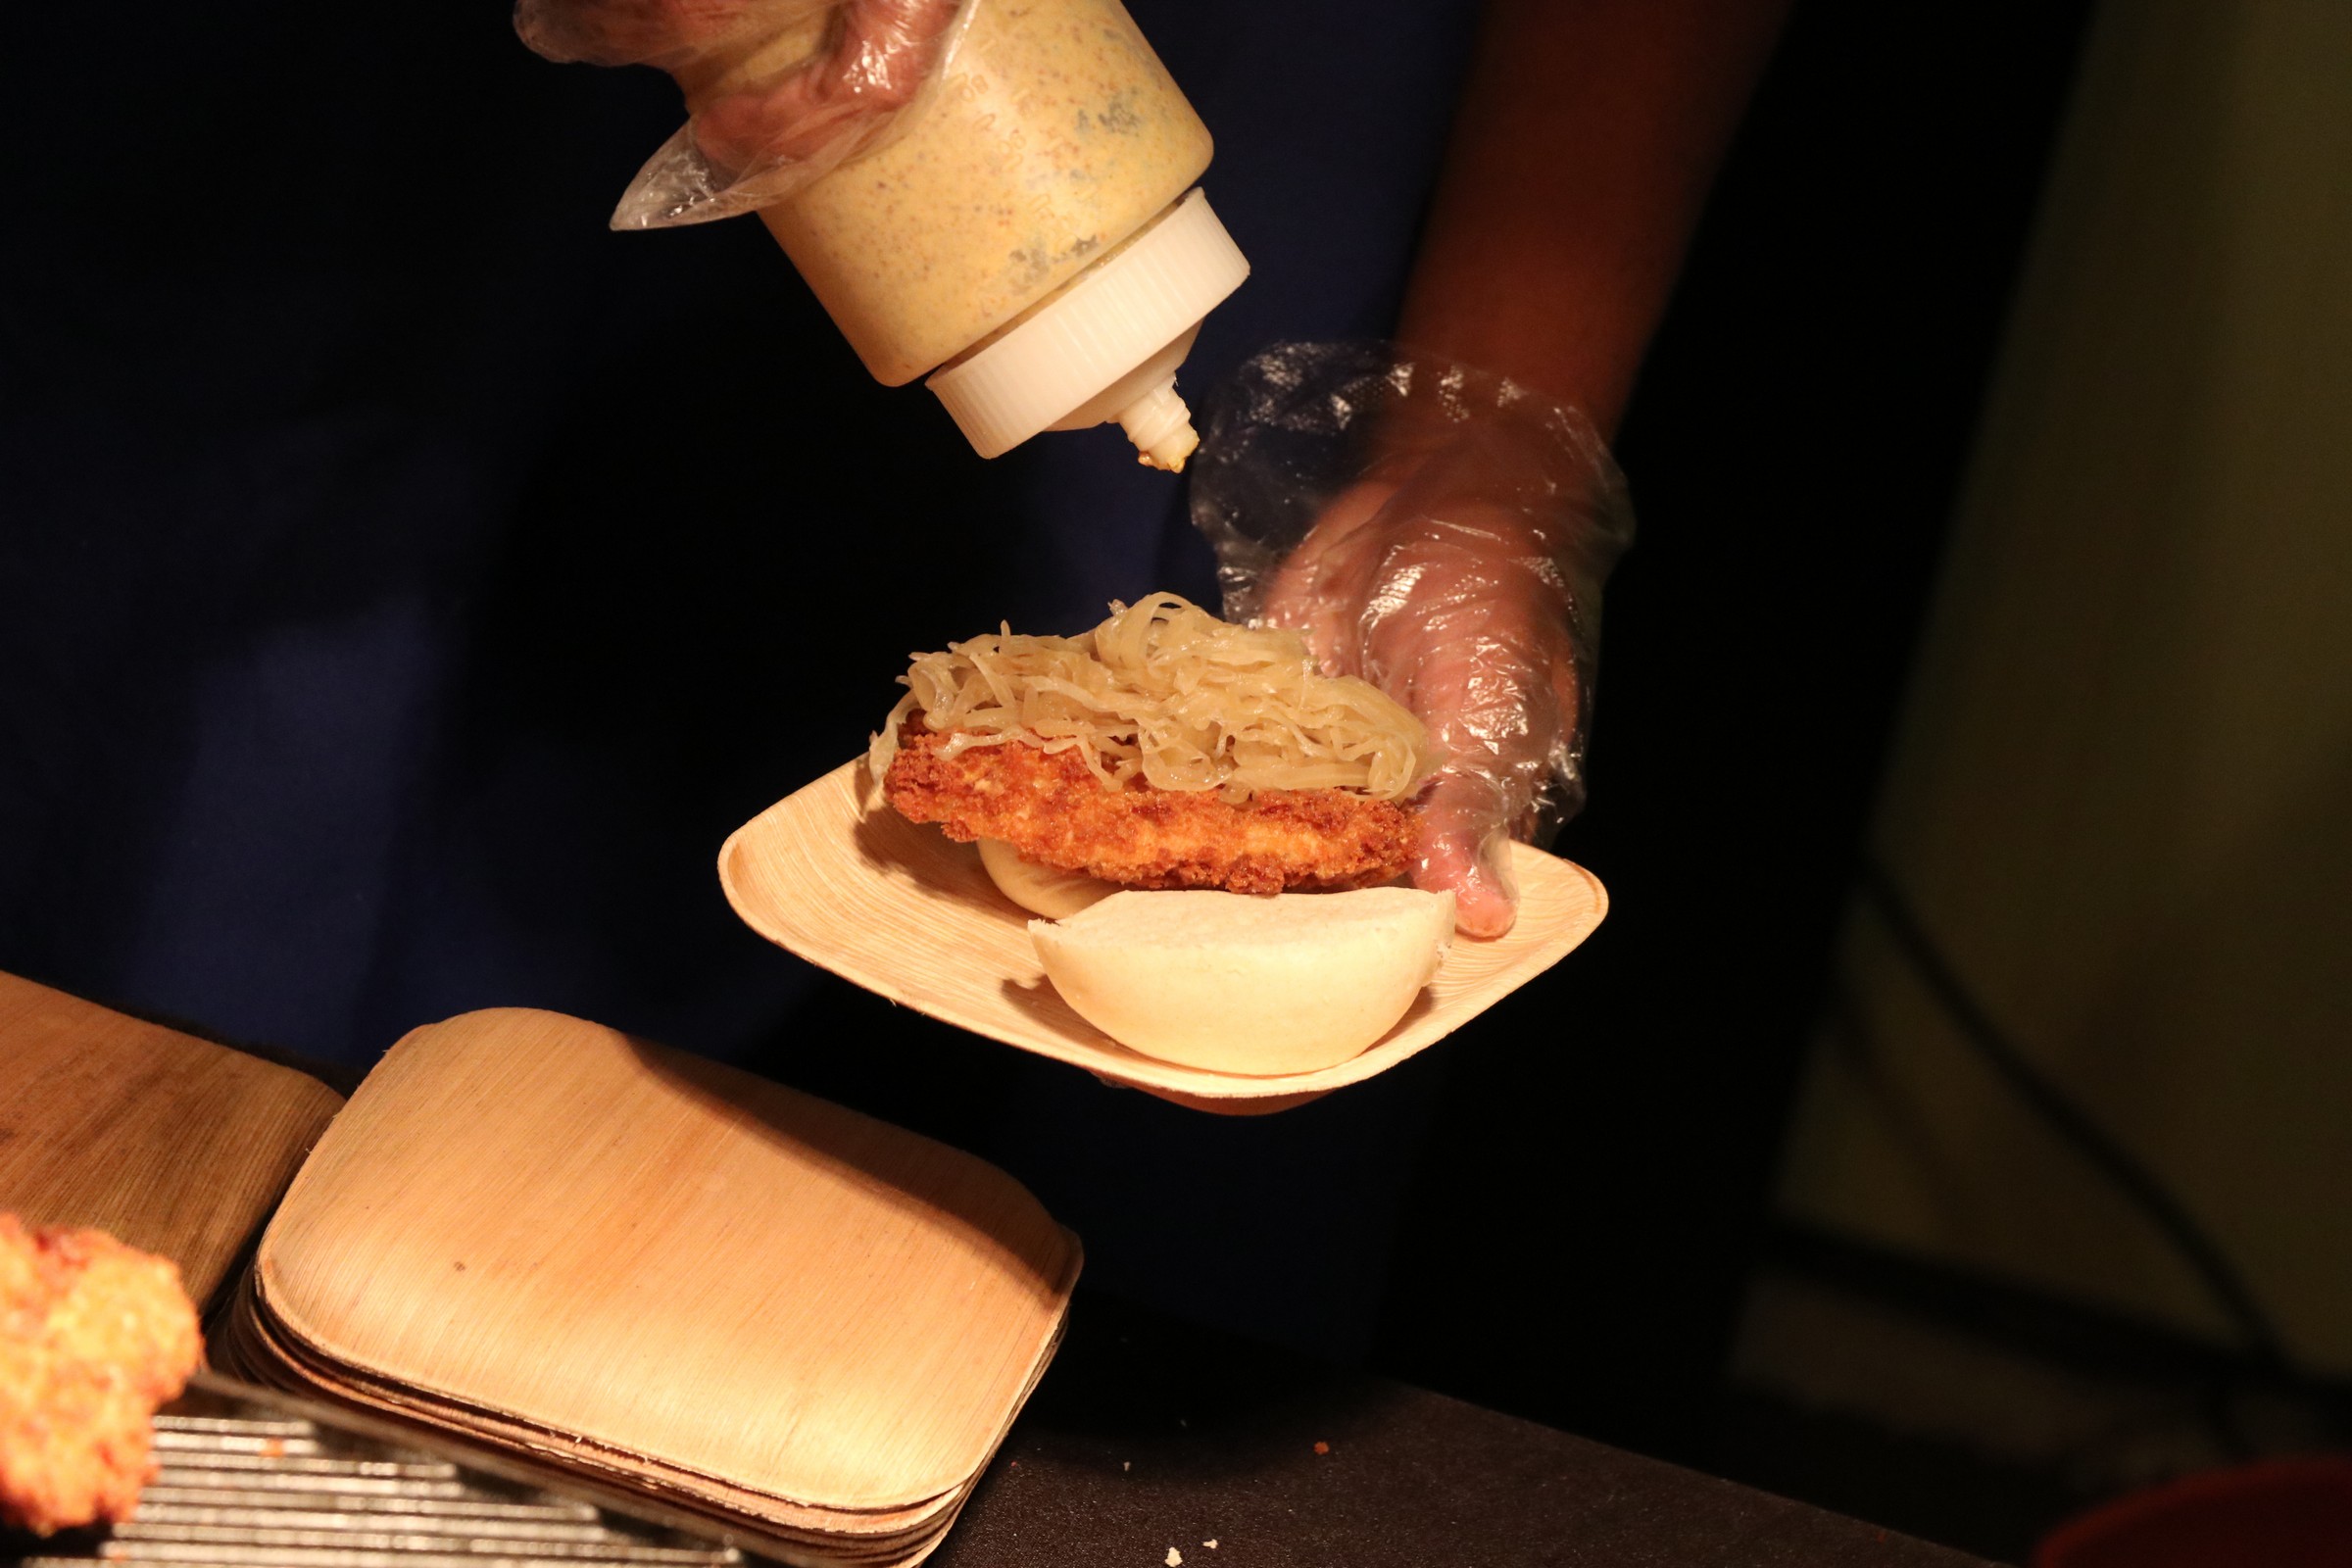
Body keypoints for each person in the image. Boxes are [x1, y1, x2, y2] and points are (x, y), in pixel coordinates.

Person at [16, 0, 2092, 1465]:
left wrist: (1492, 436)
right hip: (323, 114)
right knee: (221, 921)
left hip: (1208, 53)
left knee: (1146, 1245)